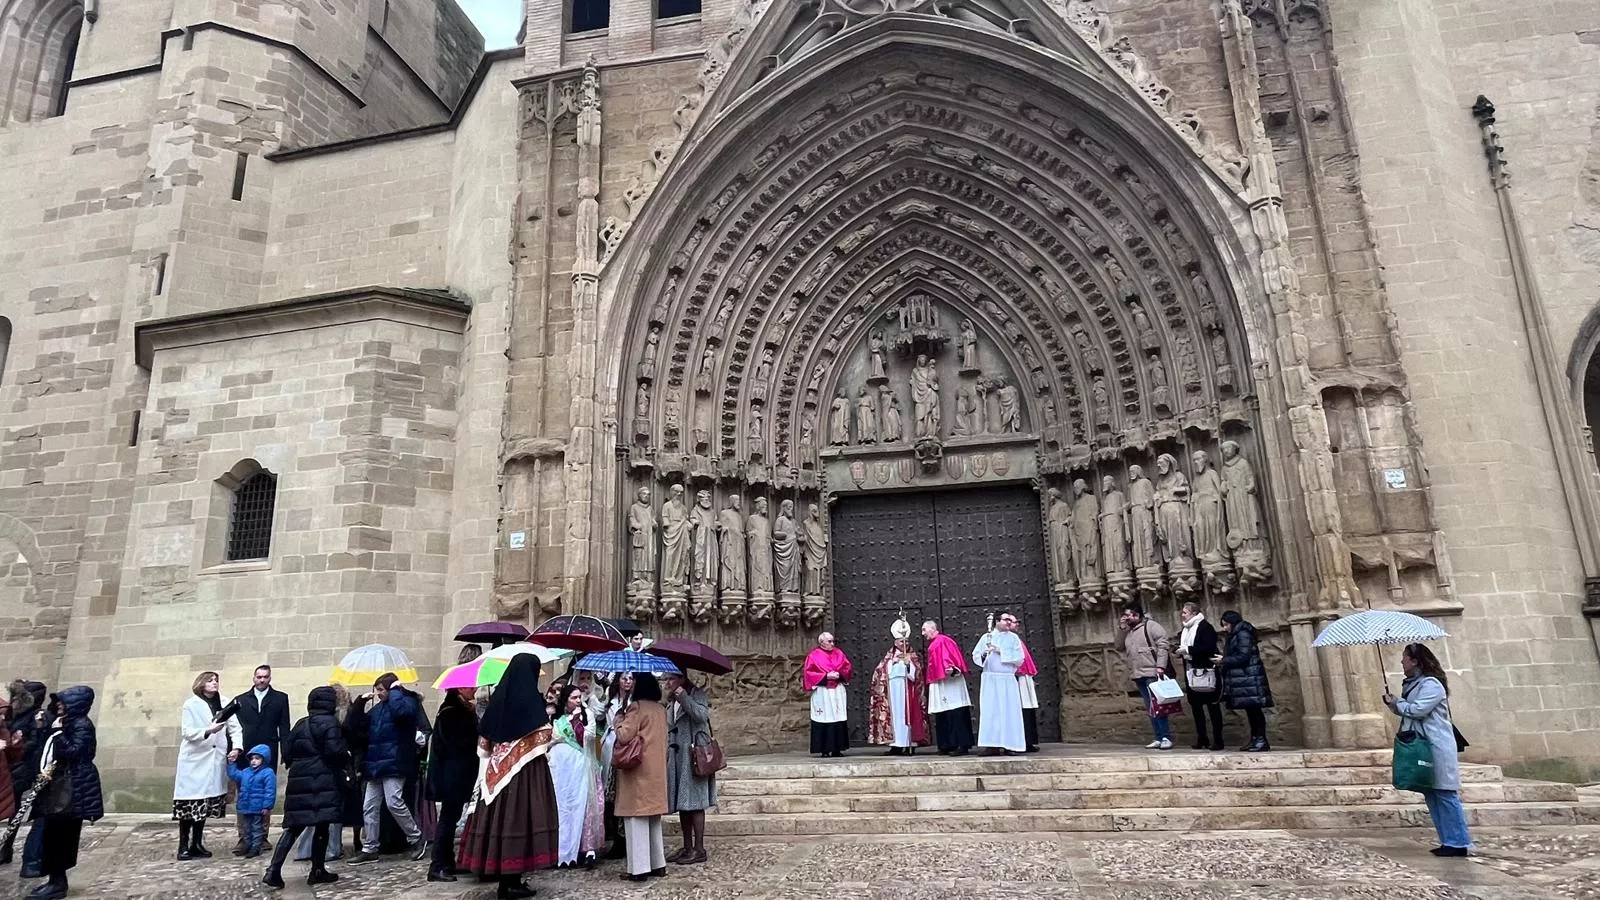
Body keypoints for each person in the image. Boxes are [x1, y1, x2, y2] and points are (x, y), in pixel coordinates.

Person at [457, 654, 559, 899]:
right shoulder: (532, 704)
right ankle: (511, 881)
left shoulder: (497, 702)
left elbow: (484, 746)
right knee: (520, 820)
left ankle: (506, 878)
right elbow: (546, 736)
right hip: (526, 777)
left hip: (495, 777)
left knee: (499, 822)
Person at [1384, 643, 1471, 857]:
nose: (1402, 662)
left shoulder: (1431, 684)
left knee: (1445, 793)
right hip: (1424, 745)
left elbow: (1418, 710)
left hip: (1437, 744)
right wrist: (1394, 703)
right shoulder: (1415, 684)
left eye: (1405, 658)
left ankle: (1459, 842)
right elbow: (1410, 710)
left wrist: (1398, 702)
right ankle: (1448, 841)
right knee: (1432, 793)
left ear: (1415, 661)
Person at [263, 686, 348, 889]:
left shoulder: (302, 723)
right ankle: (317, 870)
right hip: (323, 780)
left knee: (294, 827)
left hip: (299, 780)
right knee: (322, 825)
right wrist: (346, 755)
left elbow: (288, 752)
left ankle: (274, 870)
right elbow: (334, 752)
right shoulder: (330, 723)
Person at [30, 687, 103, 900]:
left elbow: (76, 752)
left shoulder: (81, 725)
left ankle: (58, 883)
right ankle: (54, 880)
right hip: (61, 785)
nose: (59, 705)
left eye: (63, 702)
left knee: (61, 836)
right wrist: (45, 729)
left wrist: (59, 734)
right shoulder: (67, 722)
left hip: (71, 787)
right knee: (54, 835)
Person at [346, 673, 424, 863]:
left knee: (393, 802)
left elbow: (402, 713)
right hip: (376, 764)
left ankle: (416, 837)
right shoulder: (378, 709)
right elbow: (356, 726)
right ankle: (370, 847)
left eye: (381, 689)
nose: (378, 693)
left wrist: (395, 691)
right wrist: (359, 704)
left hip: (395, 762)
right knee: (369, 806)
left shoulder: (407, 703)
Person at [174, 671, 242, 860]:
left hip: (215, 758)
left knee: (204, 804)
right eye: (210, 680)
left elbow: (235, 728)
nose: (214, 683)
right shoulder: (191, 704)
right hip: (195, 758)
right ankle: (183, 845)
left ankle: (197, 843)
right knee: (189, 803)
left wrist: (237, 747)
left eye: (216, 680)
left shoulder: (225, 702)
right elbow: (187, 732)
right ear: (201, 683)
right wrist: (208, 730)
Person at [612, 672, 668, 883]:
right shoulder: (660, 709)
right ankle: (657, 863)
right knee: (653, 819)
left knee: (635, 819)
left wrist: (619, 719)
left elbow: (624, 735)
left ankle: (639, 868)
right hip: (656, 771)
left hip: (638, 772)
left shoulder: (636, 708)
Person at [230, 665, 291, 854]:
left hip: (267, 751)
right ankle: (244, 837)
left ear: (270, 678)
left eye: (265, 677)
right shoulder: (240, 700)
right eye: (259, 677)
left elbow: (284, 726)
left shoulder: (280, 698)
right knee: (244, 794)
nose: (262, 680)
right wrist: (234, 750)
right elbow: (232, 726)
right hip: (245, 752)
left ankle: (262, 836)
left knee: (264, 792)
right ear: (253, 678)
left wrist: (286, 752)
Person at [548, 684, 603, 869]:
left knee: (584, 807)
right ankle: (563, 850)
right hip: (563, 771)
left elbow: (587, 738)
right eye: (574, 698)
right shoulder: (558, 719)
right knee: (564, 807)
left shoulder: (588, 716)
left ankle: (587, 851)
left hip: (582, 767)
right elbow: (551, 740)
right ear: (566, 700)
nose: (578, 700)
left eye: (579, 697)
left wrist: (578, 721)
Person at [425, 687, 478, 882]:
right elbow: (459, 742)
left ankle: (447, 862)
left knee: (451, 818)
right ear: (460, 689)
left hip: (456, 773)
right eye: (470, 687)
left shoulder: (457, 709)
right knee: (447, 820)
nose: (474, 689)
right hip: (452, 774)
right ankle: (437, 865)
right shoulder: (452, 712)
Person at [663, 673, 715, 865]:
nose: (667, 682)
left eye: (671, 678)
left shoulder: (695, 693)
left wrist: (684, 696)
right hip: (678, 756)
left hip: (694, 754)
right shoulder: (671, 700)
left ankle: (699, 848)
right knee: (683, 803)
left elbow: (701, 715)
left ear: (681, 679)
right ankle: (687, 847)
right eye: (666, 679)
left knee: (696, 803)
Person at [2, 680, 48, 872]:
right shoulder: (11, 713)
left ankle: (7, 846)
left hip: (22, 766)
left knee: (14, 808)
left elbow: (35, 742)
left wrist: (15, 746)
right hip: (9, 764)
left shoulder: (36, 716)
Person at [1217, 610, 1273, 751]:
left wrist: (1223, 660)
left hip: (1250, 676)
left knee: (1255, 710)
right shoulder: (1237, 633)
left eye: (1226, 625)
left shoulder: (1242, 633)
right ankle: (1255, 739)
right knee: (1251, 710)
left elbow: (1243, 656)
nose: (1225, 628)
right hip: (1246, 678)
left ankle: (1261, 739)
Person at [868, 619, 926, 755]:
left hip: (907, 689)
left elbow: (916, 674)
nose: (904, 644)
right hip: (893, 691)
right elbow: (880, 672)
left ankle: (908, 744)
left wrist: (908, 664)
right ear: (895, 642)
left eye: (906, 641)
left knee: (907, 717)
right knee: (894, 718)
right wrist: (892, 663)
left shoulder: (912, 656)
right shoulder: (889, 657)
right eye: (901, 641)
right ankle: (895, 745)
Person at [971, 613, 1027, 755]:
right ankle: (992, 745)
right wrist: (985, 654)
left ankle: (1010, 745)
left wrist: (1000, 651)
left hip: (1007, 679)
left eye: (1009, 620)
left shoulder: (1014, 638)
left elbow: (1020, 659)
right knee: (991, 712)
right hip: (990, 679)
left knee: (1009, 711)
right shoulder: (986, 637)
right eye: (1005, 619)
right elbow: (976, 656)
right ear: (997, 621)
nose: (1008, 622)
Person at [921, 620, 974, 755]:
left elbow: (950, 658)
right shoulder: (935, 643)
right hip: (941, 682)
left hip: (950, 682)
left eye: (924, 630)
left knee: (955, 712)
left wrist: (951, 668)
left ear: (932, 629)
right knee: (943, 713)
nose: (922, 633)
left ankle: (961, 744)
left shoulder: (943, 641)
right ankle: (947, 744)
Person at [1177, 602, 1224, 751]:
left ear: (1194, 613)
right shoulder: (1186, 630)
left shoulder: (1205, 627)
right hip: (1191, 671)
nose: (1182, 615)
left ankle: (1218, 740)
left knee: (1213, 707)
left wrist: (1188, 650)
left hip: (1206, 671)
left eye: (1185, 612)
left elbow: (1209, 648)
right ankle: (1202, 738)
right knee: (1196, 708)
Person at [600, 672, 634, 861]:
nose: (627, 681)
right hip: (610, 745)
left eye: (631, 678)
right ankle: (614, 836)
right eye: (624, 678)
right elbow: (598, 713)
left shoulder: (635, 701)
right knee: (610, 793)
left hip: (627, 746)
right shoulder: (610, 697)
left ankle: (625, 837)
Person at [803, 633, 852, 758]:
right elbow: (809, 673)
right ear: (821, 642)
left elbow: (847, 667)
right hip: (822, 692)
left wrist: (840, 674)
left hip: (837, 691)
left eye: (832, 641)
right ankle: (824, 749)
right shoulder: (813, 656)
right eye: (829, 641)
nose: (832, 644)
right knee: (824, 718)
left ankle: (837, 749)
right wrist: (826, 676)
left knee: (838, 717)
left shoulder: (839, 653)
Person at [228, 746, 277, 857]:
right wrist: (231, 763)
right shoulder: (246, 772)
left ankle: (256, 847)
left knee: (257, 828)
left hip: (258, 808)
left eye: (257, 758)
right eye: (252, 758)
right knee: (246, 828)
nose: (254, 761)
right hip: (245, 806)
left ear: (264, 759)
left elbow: (270, 791)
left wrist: (267, 806)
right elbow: (234, 775)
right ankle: (247, 845)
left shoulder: (268, 773)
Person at [1015, 629, 1041, 753]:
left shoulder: (1015, 640)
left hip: (1024, 678)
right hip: (1014, 678)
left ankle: (1028, 741)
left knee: (1027, 709)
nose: (1015, 624)